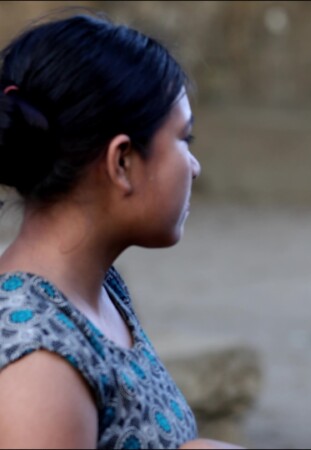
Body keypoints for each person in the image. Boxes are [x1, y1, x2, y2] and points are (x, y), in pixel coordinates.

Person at [0, 11, 242, 449]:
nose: (195, 166)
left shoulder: (97, 292)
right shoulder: (37, 364)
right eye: (184, 140)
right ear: (123, 162)